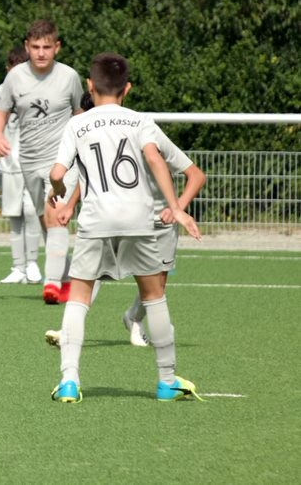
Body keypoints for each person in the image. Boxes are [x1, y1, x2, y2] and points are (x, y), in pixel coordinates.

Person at [48, 52, 203, 403]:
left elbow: (58, 173)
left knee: (79, 298)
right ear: (127, 88)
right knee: (154, 297)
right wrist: (177, 208)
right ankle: (167, 380)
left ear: (90, 85)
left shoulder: (77, 124)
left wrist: (57, 193)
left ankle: (69, 381)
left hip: (96, 221)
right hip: (137, 220)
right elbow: (153, 157)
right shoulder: (140, 121)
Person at [0, 20, 83, 303]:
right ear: (27, 47)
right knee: (46, 221)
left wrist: (83, 150)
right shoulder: (15, 78)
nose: (41, 53)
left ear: (57, 47)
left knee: (56, 215)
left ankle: (51, 284)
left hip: (62, 160)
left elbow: (80, 114)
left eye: (47, 47)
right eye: (35, 47)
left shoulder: (69, 77)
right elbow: (0, 113)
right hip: (29, 160)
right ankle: (66, 279)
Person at [0, 46, 43, 284]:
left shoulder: (40, 90)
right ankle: (18, 266)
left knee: (32, 211)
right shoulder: (2, 91)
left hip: (34, 161)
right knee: (14, 214)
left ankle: (32, 262)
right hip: (10, 162)